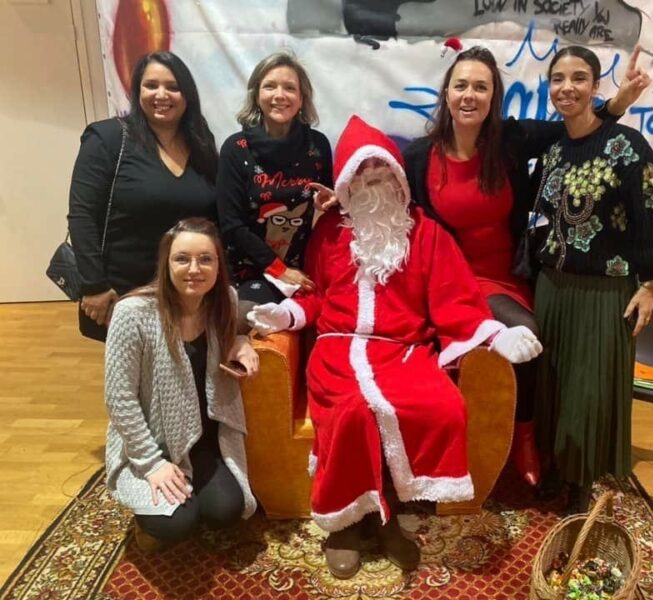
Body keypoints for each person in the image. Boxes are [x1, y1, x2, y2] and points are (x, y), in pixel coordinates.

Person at [248, 116, 541, 579]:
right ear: (347, 184)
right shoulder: (329, 232)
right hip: (338, 350)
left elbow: (455, 299)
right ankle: (348, 525)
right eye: (362, 174)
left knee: (439, 404)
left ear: (398, 177)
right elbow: (315, 295)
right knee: (352, 410)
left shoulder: (425, 233)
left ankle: (391, 512)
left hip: (405, 350)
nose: (373, 182)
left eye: (381, 171)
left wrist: (495, 335)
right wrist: (284, 316)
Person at [400, 45, 650, 487]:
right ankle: (478, 443)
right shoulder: (420, 156)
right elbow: (392, 202)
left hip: (506, 278)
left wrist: (618, 104)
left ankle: (528, 436)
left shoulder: (511, 142)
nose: (469, 95)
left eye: (481, 87)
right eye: (461, 85)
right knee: (505, 336)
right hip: (451, 280)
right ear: (447, 93)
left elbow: (575, 126)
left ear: (493, 96)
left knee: (534, 338)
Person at [530, 46, 653, 513]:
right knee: (551, 384)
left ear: (594, 86)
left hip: (604, 290)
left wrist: (650, 285)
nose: (566, 87)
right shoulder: (553, 149)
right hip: (552, 286)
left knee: (586, 392)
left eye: (578, 78)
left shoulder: (628, 147)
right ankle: (554, 465)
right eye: (558, 79)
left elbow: (650, 216)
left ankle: (580, 480)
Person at [104, 218, 259, 551]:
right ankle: (147, 520)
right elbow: (119, 399)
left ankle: (191, 487)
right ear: (166, 263)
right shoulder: (133, 313)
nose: (194, 269)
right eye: (182, 259)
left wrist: (241, 340)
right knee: (176, 523)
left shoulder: (225, 301)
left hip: (202, 437)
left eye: (206, 259)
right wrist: (151, 464)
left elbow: (239, 325)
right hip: (153, 441)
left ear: (218, 265)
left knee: (225, 510)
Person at [68, 51, 218, 336]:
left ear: (187, 94)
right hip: (124, 291)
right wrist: (94, 285)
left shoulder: (201, 141)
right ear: (137, 91)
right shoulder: (107, 138)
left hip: (189, 289)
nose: (161, 94)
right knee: (133, 364)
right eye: (151, 85)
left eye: (173, 87)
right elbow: (81, 215)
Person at [216, 51, 333, 306]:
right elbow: (231, 226)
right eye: (270, 86)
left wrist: (331, 203)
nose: (280, 95)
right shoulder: (236, 149)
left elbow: (327, 209)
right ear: (257, 95)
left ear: (302, 98)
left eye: (289, 88)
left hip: (304, 271)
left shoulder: (318, 146)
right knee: (254, 318)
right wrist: (279, 269)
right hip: (249, 271)